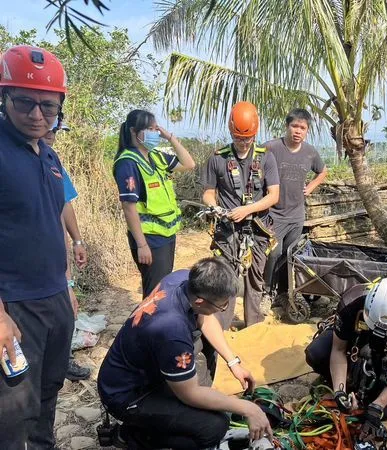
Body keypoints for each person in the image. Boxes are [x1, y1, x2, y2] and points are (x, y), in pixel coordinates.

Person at [98, 257, 273, 449]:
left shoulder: (183, 279)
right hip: (127, 395)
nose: (223, 308)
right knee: (214, 427)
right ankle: (132, 435)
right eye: (222, 305)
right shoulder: (172, 332)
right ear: (200, 301)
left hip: (146, 372)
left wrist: (234, 363)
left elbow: (205, 319)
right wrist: (249, 409)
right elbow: (190, 394)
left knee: (212, 405)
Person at [0, 45, 77, 449]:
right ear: (4, 98)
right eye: (25, 102)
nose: (36, 115)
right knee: (12, 412)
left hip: (54, 298)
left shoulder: (48, 155)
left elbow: (50, 226)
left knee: (48, 391)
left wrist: (66, 288)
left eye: (48, 107)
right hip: (14, 306)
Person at [305, 278, 387, 442]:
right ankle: (340, 378)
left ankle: (365, 387)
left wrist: (377, 407)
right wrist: (339, 391)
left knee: (386, 412)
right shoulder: (350, 302)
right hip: (351, 340)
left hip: (386, 352)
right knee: (315, 354)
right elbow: (338, 349)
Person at [203, 101, 280, 328]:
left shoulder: (266, 158)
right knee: (225, 278)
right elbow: (208, 193)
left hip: (257, 228)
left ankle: (253, 325)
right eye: (238, 138)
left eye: (247, 138)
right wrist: (215, 208)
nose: (243, 142)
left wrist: (247, 209)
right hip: (227, 229)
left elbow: (273, 195)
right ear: (231, 132)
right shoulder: (218, 158)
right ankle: (221, 327)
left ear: (255, 134)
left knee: (255, 278)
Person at [113, 110, 196, 298]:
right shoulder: (128, 162)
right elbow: (129, 206)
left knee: (162, 289)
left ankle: (154, 325)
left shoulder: (156, 157)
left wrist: (170, 137)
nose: (154, 133)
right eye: (149, 129)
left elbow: (189, 164)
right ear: (134, 132)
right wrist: (142, 245)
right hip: (149, 239)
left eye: (155, 129)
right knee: (154, 295)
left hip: (166, 235)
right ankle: (147, 327)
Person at [41, 117, 91, 381]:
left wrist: (77, 240)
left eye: (55, 130)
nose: (52, 134)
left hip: (57, 249)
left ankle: (62, 361)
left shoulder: (52, 159)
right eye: (50, 130)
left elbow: (65, 202)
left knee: (66, 308)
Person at [263, 108, 327, 300]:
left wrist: (312, 186)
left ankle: (284, 293)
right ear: (287, 126)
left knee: (290, 256)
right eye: (294, 126)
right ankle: (266, 292)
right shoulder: (271, 148)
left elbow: (323, 171)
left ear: (307, 130)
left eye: (303, 127)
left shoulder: (310, 152)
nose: (298, 131)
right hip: (273, 215)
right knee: (273, 254)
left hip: (297, 215)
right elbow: (254, 168)